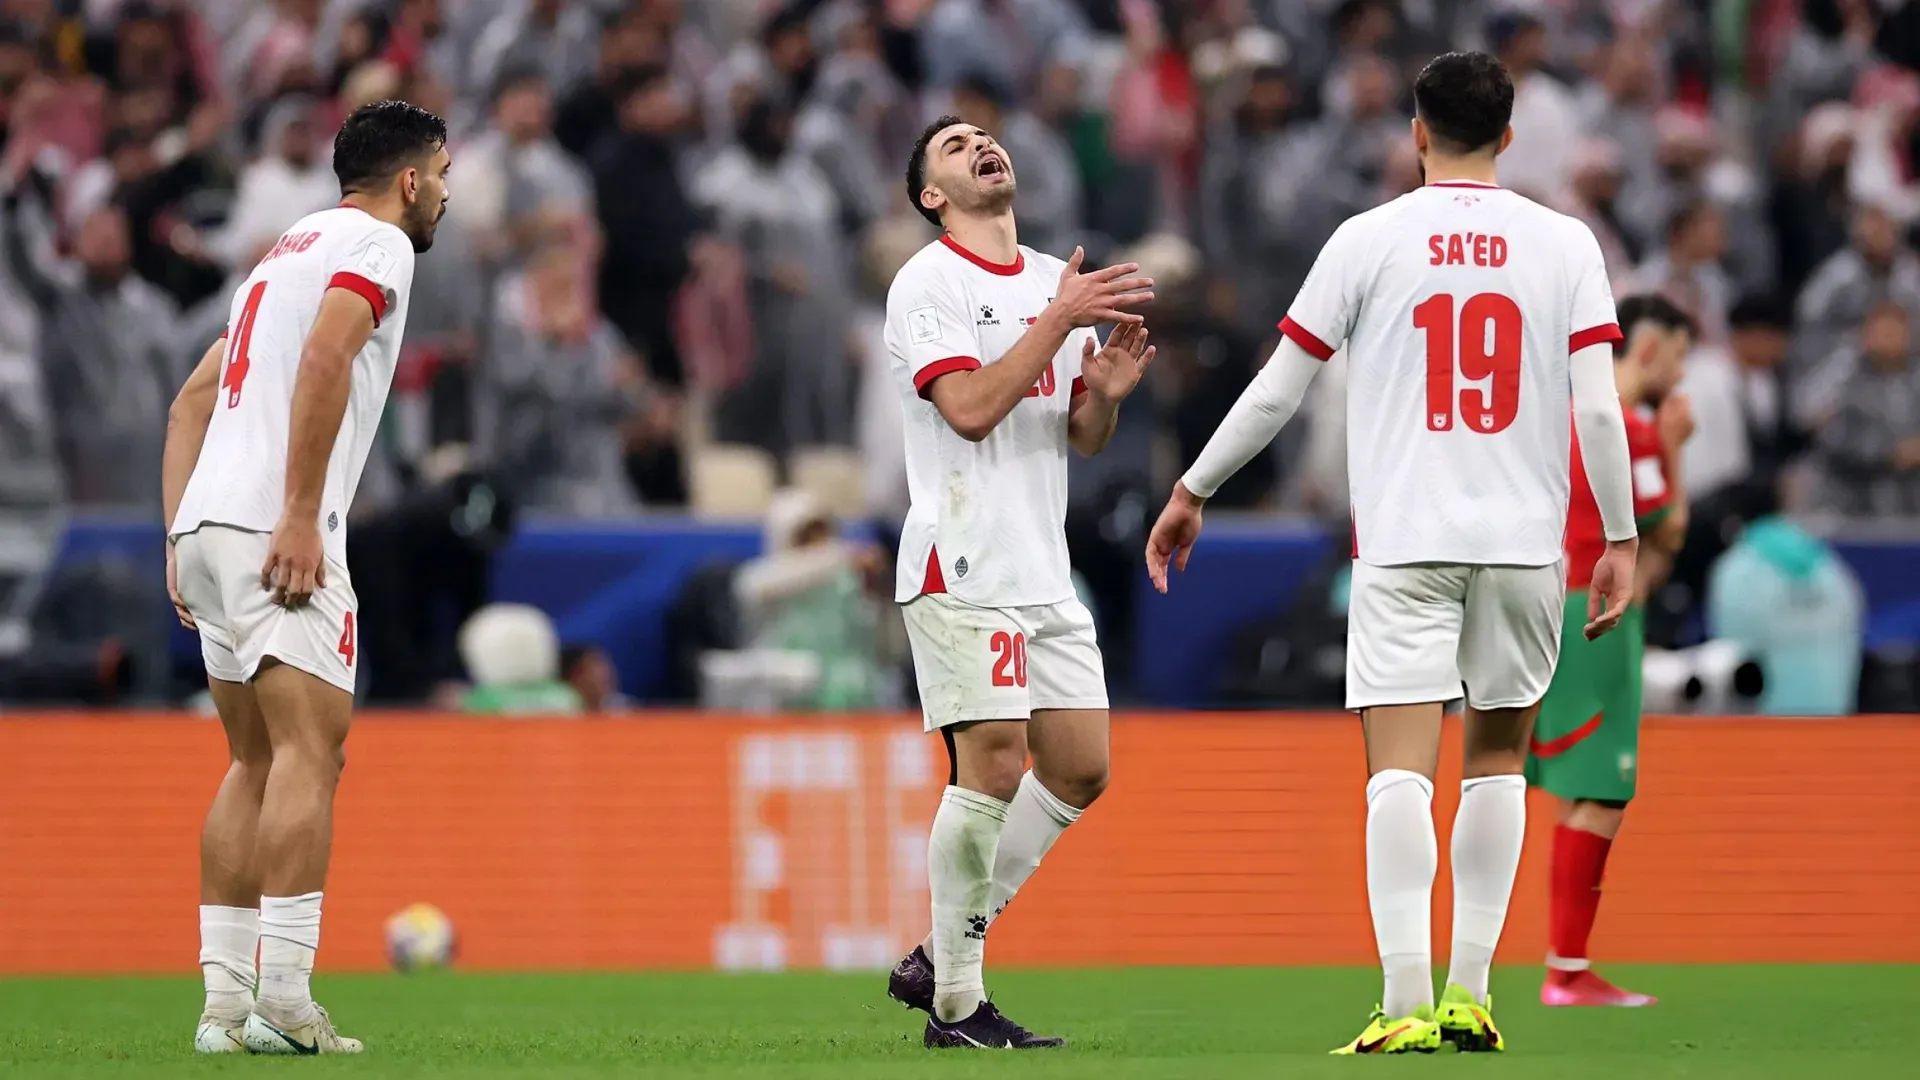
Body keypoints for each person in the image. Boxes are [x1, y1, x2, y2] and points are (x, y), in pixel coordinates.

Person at [1145, 52, 1640, 1055]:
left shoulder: (1367, 239)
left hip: (1407, 541)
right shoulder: (1564, 243)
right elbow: (1596, 405)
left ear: (1416, 133)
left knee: (1398, 776)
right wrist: (1621, 534)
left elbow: (1280, 388)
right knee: (1497, 764)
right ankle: (1472, 994)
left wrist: (1194, 486)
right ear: (1508, 136)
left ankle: (1404, 999)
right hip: (1520, 545)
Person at [160, 99, 450, 1056]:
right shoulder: (378, 245)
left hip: (208, 524)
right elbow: (330, 353)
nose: (444, 195)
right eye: (441, 176)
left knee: (250, 759)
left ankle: (221, 1010)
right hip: (272, 526)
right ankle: (285, 997)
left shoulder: (284, 252)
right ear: (409, 180)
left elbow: (191, 399)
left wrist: (178, 534)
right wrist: (296, 511)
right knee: (309, 756)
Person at [882, 113, 1155, 1050]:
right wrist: (1058, 323)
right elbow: (965, 408)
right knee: (994, 763)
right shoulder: (927, 283)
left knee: (1080, 768)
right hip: (961, 557)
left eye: (985, 139)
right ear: (932, 196)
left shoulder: (1050, 279)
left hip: (1042, 566)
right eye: (953, 148)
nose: (980, 148)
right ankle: (957, 1005)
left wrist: (1104, 400)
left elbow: (1069, 434)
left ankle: (937, 949)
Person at [1528, 294, 1695, 1008]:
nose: (1683, 374)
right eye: (1681, 354)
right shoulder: (1637, 431)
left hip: (1541, 603)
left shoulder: (1553, 422)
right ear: (1650, 349)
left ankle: (1565, 966)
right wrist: (1678, 448)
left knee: (1573, 786)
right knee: (1601, 788)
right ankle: (1566, 971)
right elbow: (1672, 530)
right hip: (1598, 612)